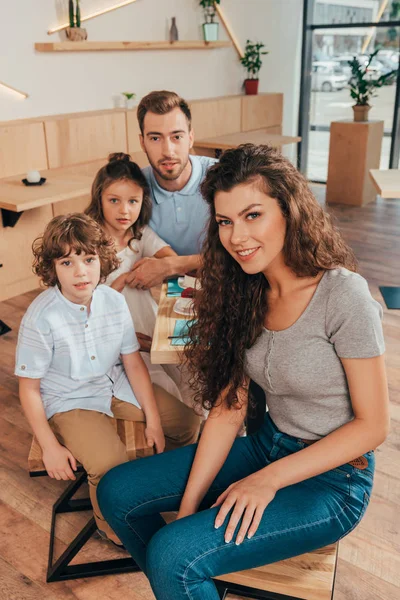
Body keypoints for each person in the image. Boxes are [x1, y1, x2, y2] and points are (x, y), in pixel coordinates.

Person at [97, 144, 389, 598]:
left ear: (289, 211)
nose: (236, 237)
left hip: (333, 479)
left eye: (253, 215)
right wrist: (192, 506)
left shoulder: (342, 295)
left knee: (174, 555)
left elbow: (373, 426)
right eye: (225, 221)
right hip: (267, 444)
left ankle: (184, 570)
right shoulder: (243, 289)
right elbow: (230, 407)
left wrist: (265, 481)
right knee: (117, 493)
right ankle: (190, 576)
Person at [15, 213, 181, 545]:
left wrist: (152, 419)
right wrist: (49, 445)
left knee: (187, 424)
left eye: (89, 259)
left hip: (113, 382)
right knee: (109, 464)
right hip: (69, 400)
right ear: (53, 269)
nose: (81, 272)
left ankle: (158, 490)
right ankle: (114, 526)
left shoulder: (113, 301)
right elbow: (29, 389)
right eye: (67, 262)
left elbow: (132, 363)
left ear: (101, 261)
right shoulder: (41, 316)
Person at [84, 152, 201, 439]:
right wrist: (125, 278)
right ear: (99, 198)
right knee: (165, 386)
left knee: (191, 375)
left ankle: (202, 433)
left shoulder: (140, 234)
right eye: (114, 200)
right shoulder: (88, 242)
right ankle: (173, 435)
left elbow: (171, 260)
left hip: (148, 324)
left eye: (133, 201)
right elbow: (87, 305)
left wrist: (158, 269)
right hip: (112, 333)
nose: (124, 210)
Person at [124, 90, 217, 290]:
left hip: (227, 290)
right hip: (162, 297)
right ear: (142, 142)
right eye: (155, 138)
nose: (168, 151)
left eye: (176, 137)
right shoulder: (133, 190)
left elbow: (244, 253)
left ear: (191, 138)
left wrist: (170, 265)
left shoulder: (223, 178)